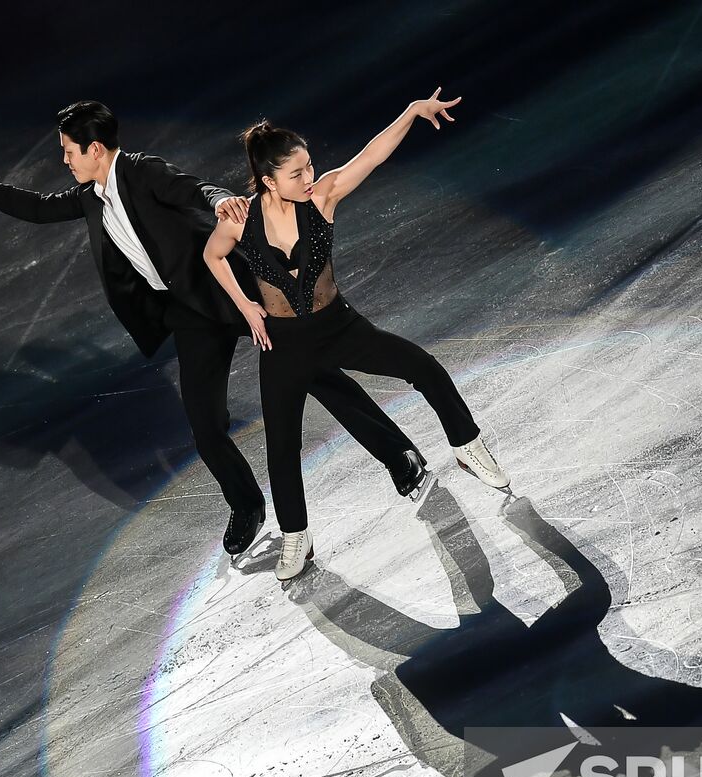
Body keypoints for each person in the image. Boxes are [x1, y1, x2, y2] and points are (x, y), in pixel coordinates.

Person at [0, 101, 428, 556]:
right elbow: (42, 208)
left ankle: (398, 454)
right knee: (204, 423)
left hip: (229, 290)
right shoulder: (90, 195)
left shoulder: (142, 171)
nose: (65, 160)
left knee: (317, 371)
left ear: (95, 149)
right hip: (188, 314)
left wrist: (221, 204)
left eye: (68, 151)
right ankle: (248, 506)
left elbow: (193, 187)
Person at [203, 89, 509, 582]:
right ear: (268, 180)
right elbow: (211, 256)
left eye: (309, 167)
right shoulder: (241, 220)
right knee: (282, 449)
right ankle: (295, 536)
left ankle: (467, 445)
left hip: (338, 327)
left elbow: (371, 155)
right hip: (281, 345)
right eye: (296, 173)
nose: (308, 178)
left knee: (422, 367)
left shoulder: (322, 196)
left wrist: (411, 112)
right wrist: (248, 308)